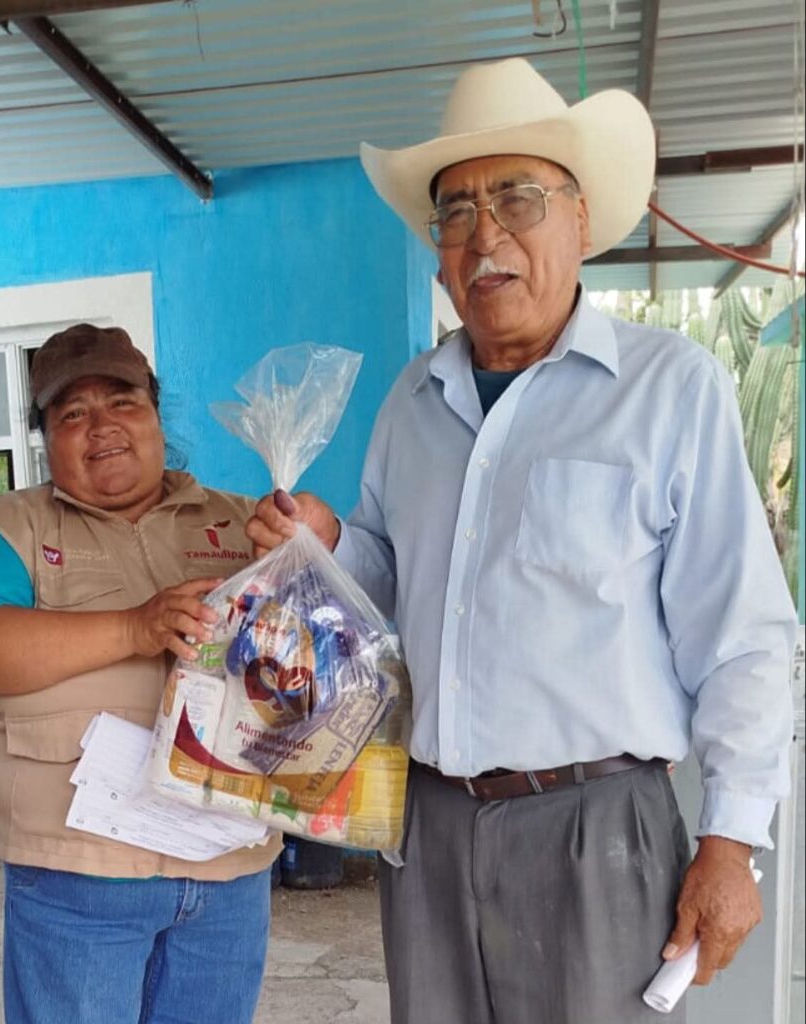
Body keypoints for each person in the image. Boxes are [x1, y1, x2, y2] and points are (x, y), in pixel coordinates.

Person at [247, 58, 797, 1024]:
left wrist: (730, 841)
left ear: (580, 221)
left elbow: (742, 634)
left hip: (595, 830)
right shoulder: (411, 401)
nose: (484, 234)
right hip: (427, 828)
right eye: (455, 212)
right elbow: (389, 582)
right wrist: (325, 543)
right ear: (438, 256)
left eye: (516, 198)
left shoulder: (669, 389)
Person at [0, 323, 281, 1024]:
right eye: (73, 413)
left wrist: (322, 542)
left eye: (122, 402)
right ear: (45, 439)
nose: (102, 427)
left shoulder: (245, 524)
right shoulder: (9, 530)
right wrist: (132, 628)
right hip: (79, 878)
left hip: (228, 873)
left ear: (155, 415)